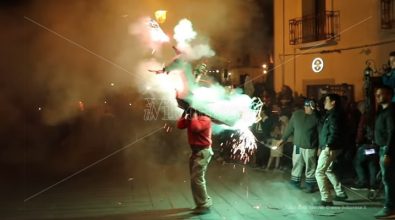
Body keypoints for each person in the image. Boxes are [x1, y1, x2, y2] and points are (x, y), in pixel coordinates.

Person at [278, 99, 320, 193]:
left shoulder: (317, 117)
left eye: (310, 107)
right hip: (297, 146)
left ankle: (310, 185)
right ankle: (295, 182)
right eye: (306, 106)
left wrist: (320, 147)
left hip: (310, 147)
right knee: (296, 163)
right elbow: (289, 128)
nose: (307, 108)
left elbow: (320, 133)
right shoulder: (297, 114)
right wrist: (282, 139)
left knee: (310, 165)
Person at [177, 108, 213, 215]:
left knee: (196, 179)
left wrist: (192, 115)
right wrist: (185, 114)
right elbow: (180, 125)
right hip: (195, 152)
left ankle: (204, 205)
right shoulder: (194, 118)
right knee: (195, 179)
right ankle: (203, 201)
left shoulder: (206, 119)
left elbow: (195, 128)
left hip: (203, 152)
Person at [315, 94, 348, 206]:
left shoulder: (335, 115)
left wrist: (328, 145)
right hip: (333, 146)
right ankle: (340, 193)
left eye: (326, 100)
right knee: (328, 170)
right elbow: (323, 127)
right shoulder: (331, 114)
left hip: (331, 147)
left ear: (333, 102)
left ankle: (326, 199)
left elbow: (334, 132)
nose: (324, 102)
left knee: (319, 172)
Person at [373, 86, 395, 218]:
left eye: (380, 95)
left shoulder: (391, 112)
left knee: (388, 179)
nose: (377, 97)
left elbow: (392, 133)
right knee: (388, 179)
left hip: (387, 150)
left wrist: (387, 153)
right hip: (383, 148)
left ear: (389, 95)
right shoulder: (383, 111)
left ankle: (390, 208)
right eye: (377, 95)